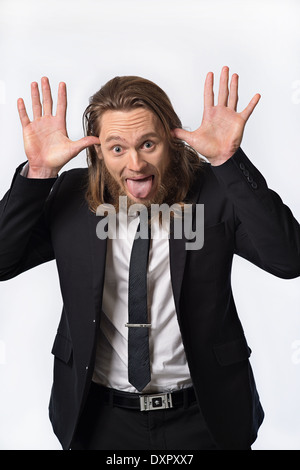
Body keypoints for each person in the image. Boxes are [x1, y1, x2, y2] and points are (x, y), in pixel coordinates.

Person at [0, 67, 299, 450]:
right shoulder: (69, 197)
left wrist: (228, 162)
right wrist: (39, 173)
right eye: (117, 148)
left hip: (204, 415)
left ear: (171, 142)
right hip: (100, 418)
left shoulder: (215, 191)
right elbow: (4, 262)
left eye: (148, 144)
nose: (136, 165)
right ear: (97, 150)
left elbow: (289, 259)